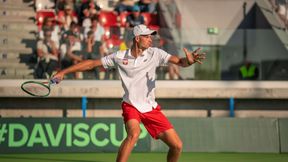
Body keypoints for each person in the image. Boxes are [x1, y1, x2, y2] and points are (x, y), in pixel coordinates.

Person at [52, 24, 205, 162]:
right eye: (147, 36)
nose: (150, 39)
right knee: (134, 134)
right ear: (137, 39)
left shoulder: (156, 53)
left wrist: (188, 61)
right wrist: (64, 72)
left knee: (177, 146)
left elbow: (179, 62)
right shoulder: (119, 56)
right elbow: (92, 64)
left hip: (150, 108)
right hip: (130, 105)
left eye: (151, 36)